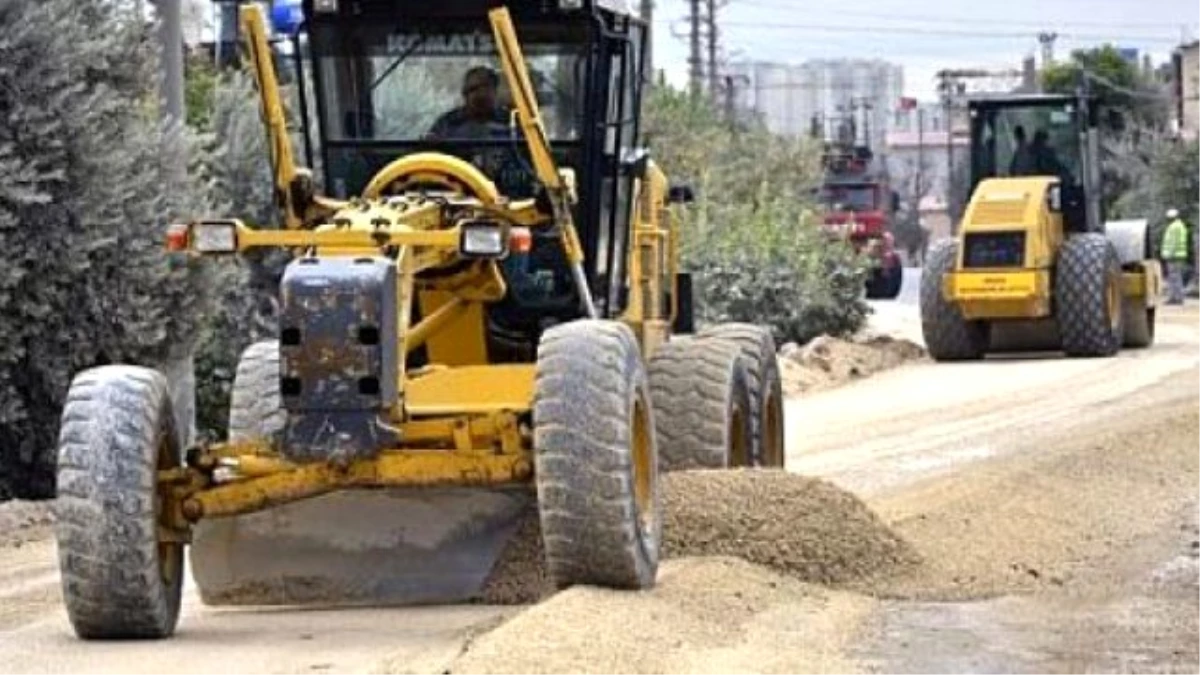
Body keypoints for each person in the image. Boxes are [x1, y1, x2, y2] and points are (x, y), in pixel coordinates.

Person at [425, 66, 510, 140]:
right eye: (473, 89)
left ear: (495, 91)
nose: (480, 94)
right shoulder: (447, 123)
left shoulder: (510, 122)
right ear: (464, 93)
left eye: (485, 88)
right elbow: (432, 154)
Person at [1161, 208, 1189, 305]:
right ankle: (1178, 297)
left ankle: (1175, 298)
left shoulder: (1173, 227)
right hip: (1179, 254)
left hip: (1174, 255)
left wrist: (1169, 254)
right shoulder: (1181, 225)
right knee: (1177, 276)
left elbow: (1173, 242)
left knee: (1174, 277)